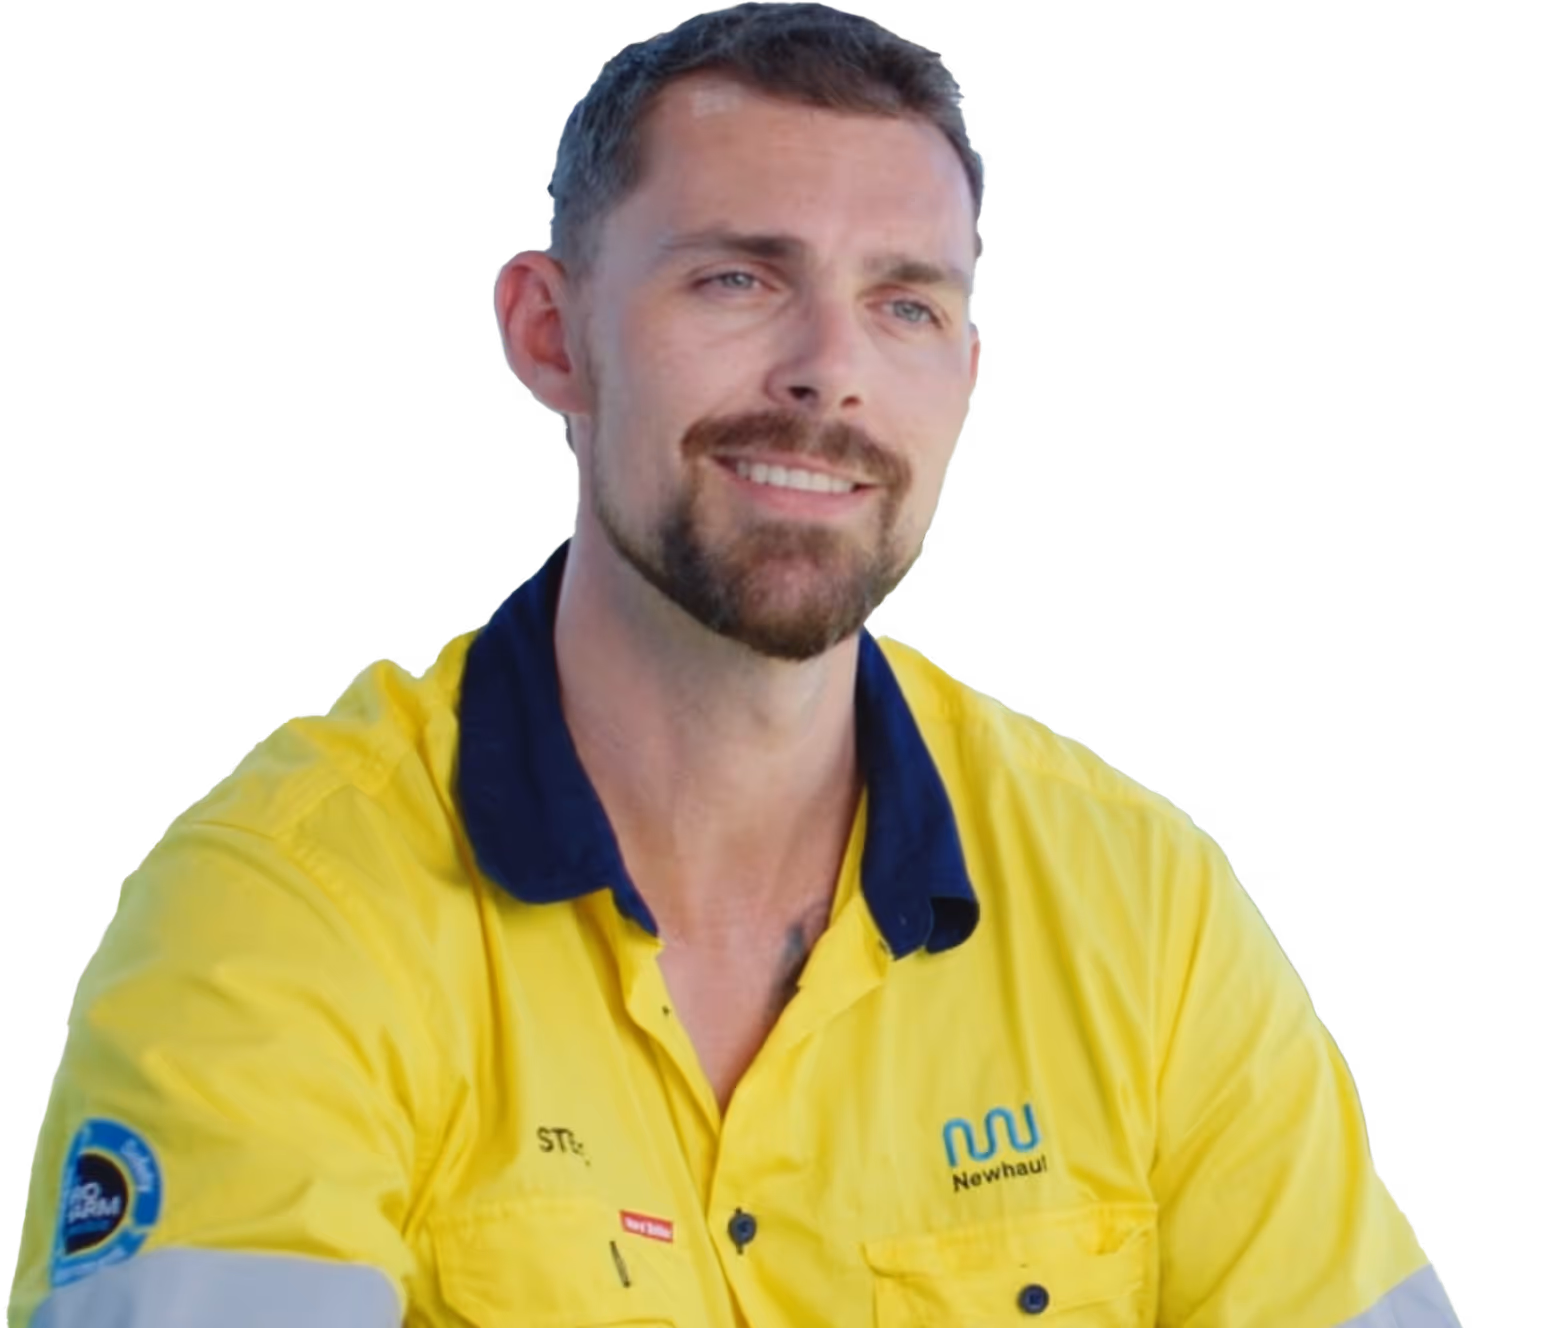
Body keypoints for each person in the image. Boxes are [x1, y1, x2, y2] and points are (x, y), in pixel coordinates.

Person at [8, 4, 1461, 1326]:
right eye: (735, 278)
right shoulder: (280, 913)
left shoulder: (1145, 913)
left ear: (961, 374)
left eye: (905, 303)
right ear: (548, 335)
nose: (828, 370)